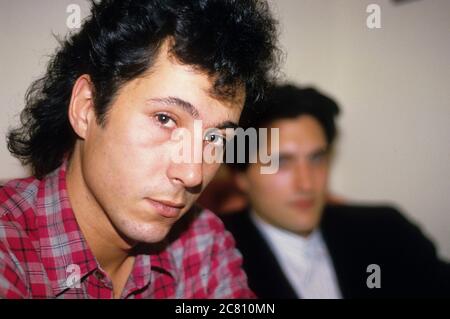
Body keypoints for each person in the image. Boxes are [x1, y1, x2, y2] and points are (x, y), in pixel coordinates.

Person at [0, 0, 279, 299]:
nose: (192, 173)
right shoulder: (10, 244)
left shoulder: (202, 243)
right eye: (165, 119)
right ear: (86, 109)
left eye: (215, 139)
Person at [222, 84, 450, 298]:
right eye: (281, 162)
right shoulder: (212, 255)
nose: (307, 184)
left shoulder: (387, 231)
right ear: (241, 176)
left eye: (317, 158)